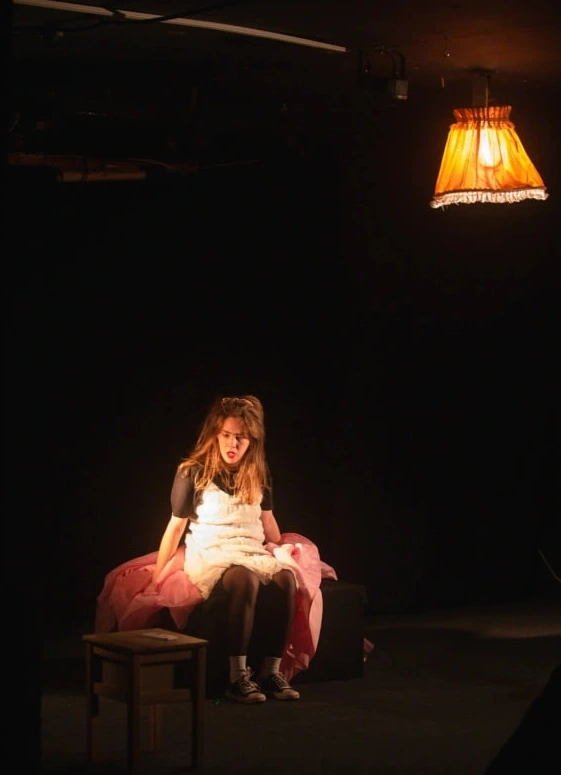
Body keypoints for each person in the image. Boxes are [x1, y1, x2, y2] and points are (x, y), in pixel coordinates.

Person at [152, 394, 301, 704]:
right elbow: (176, 527)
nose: (233, 443)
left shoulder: (258, 472)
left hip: (249, 548)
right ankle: (238, 676)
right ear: (215, 434)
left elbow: (268, 521)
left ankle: (271, 671)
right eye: (227, 435)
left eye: (241, 437)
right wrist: (157, 576)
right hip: (212, 550)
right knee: (245, 579)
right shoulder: (193, 471)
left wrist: (286, 550)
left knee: (288, 579)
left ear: (252, 440)